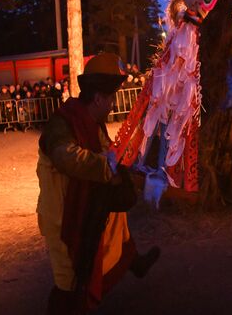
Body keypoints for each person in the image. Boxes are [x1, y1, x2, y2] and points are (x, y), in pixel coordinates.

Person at [36, 53, 160, 315]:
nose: (113, 106)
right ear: (98, 98)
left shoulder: (93, 122)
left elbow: (109, 153)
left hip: (83, 205)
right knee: (68, 280)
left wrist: (130, 165)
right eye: (111, 99)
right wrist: (107, 166)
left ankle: (132, 263)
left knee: (117, 228)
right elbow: (65, 157)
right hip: (62, 214)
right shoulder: (63, 122)